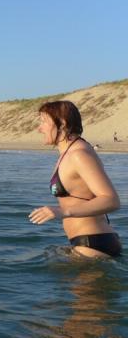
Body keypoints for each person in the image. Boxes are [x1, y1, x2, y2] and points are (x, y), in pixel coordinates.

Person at [29, 101, 121, 257]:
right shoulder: (71, 151)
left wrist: (61, 211)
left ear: (62, 124)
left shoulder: (78, 155)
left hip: (92, 244)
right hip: (88, 242)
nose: (39, 128)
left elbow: (111, 200)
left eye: (44, 122)